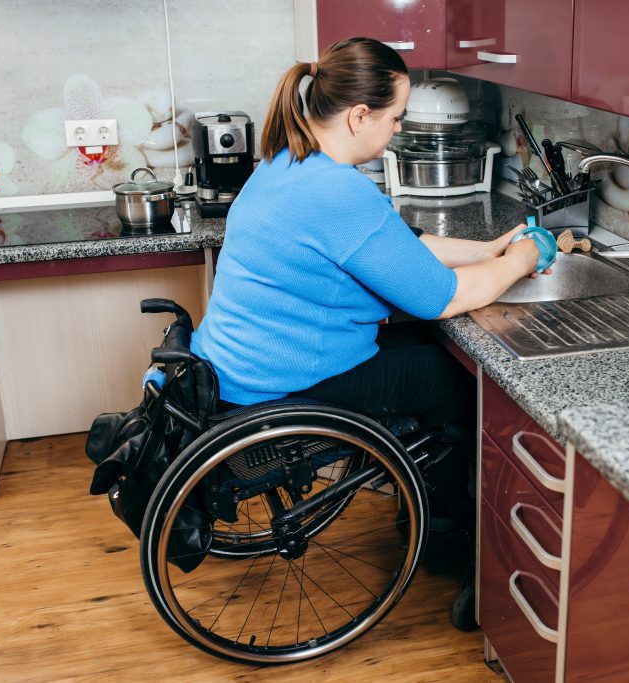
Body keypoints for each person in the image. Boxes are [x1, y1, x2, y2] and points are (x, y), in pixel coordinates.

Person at [189, 37, 545, 622]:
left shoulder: (288, 162)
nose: (398, 130)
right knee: (459, 383)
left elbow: (395, 248)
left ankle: (422, 500)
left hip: (234, 367)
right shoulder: (339, 190)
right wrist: (521, 261)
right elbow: (441, 298)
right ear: (359, 116)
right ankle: (448, 536)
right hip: (285, 384)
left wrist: (486, 248)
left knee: (421, 360)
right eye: (396, 116)